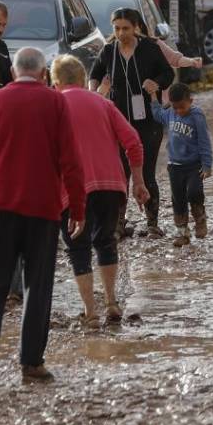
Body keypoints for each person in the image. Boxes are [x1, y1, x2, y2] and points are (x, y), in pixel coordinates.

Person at [0, 47, 85, 386]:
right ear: (44, 75)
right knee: (37, 286)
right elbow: (71, 160)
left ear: (13, 73)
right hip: (43, 210)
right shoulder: (55, 103)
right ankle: (30, 363)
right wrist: (78, 207)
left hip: (0, 209)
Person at [51, 55, 146, 327]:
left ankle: (91, 312)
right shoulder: (104, 104)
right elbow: (133, 142)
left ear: (56, 83)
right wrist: (138, 181)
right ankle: (112, 302)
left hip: (72, 190)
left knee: (77, 248)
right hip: (110, 186)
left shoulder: (54, 106)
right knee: (105, 241)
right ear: (82, 80)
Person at [89, 8, 174, 236]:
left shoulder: (150, 49)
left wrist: (156, 83)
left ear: (136, 27)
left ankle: (152, 222)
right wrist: (96, 91)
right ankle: (118, 223)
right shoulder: (109, 52)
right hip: (117, 120)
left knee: (146, 172)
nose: (121, 33)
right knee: (120, 174)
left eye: (126, 28)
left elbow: (168, 74)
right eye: (117, 28)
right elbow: (94, 73)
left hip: (148, 120)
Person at [151, 82, 213, 248]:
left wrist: (207, 165)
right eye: (175, 107)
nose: (179, 110)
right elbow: (157, 114)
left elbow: (204, 141)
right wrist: (152, 95)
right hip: (175, 166)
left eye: (182, 107)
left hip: (194, 165)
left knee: (194, 192)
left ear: (190, 101)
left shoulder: (197, 115)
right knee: (177, 199)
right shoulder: (170, 113)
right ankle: (182, 233)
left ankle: (200, 219)